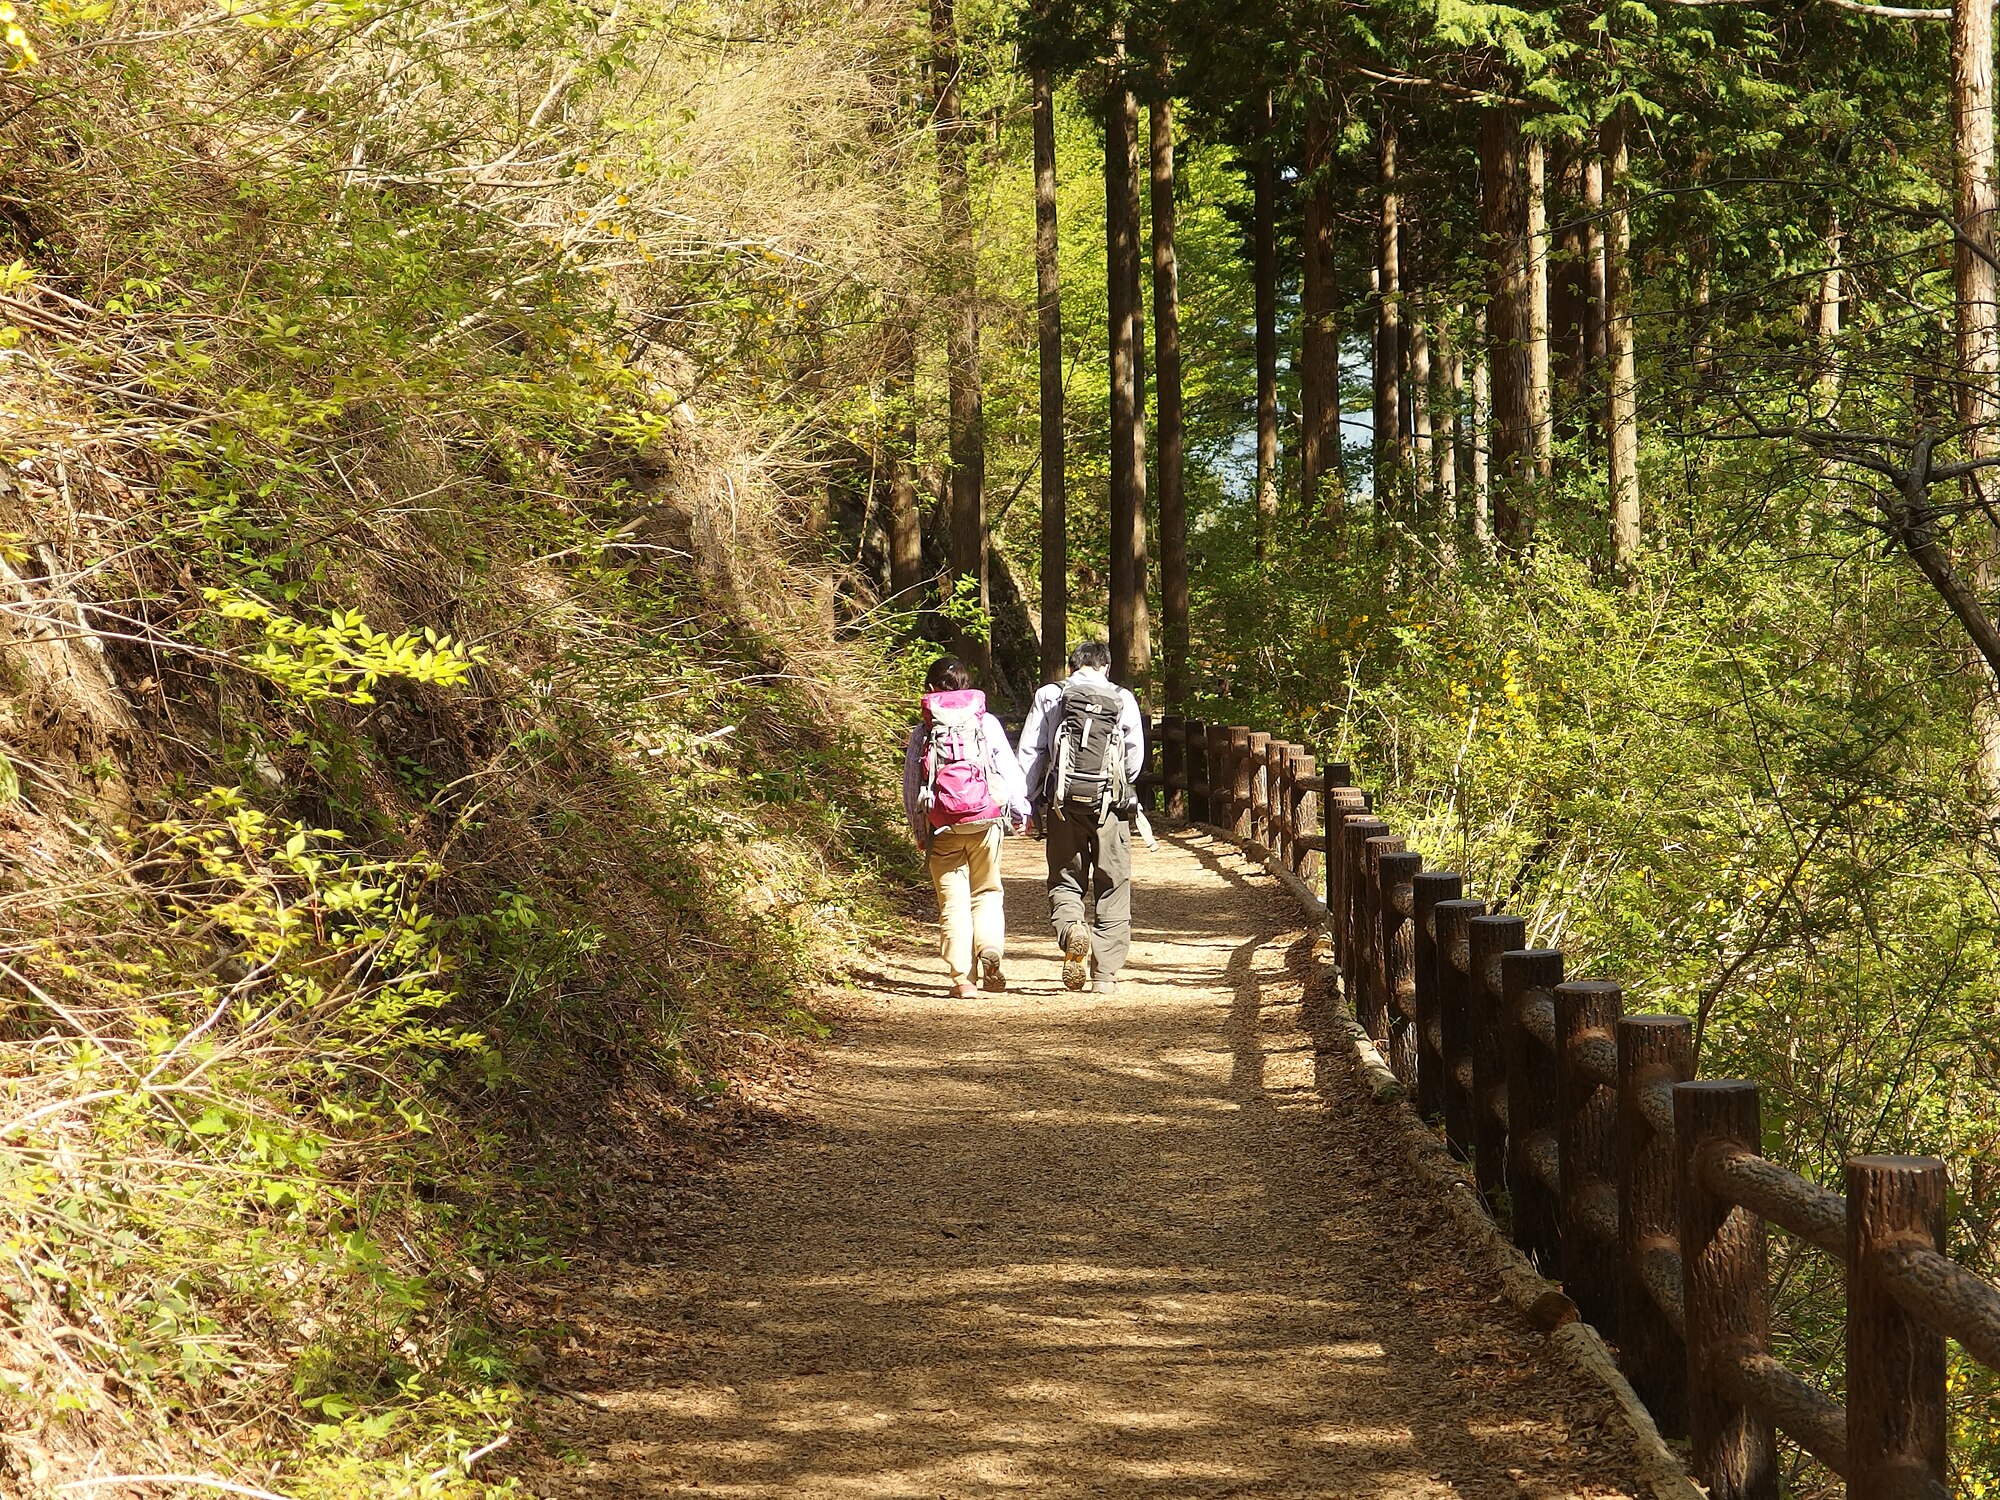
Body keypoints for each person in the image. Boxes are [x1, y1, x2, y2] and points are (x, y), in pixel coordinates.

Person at [1017, 641, 1145, 995]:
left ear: (1072, 667)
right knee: (1113, 885)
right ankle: (1105, 975)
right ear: (1106, 666)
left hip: (1062, 805)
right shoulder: (1122, 698)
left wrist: (1028, 802)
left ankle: (1073, 927)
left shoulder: (1050, 694)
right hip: (1110, 806)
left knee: (1064, 878)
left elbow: (1031, 750)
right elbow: (1133, 761)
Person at [902, 656, 1031, 999]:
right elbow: (1009, 769)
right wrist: (1020, 810)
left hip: (942, 825)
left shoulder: (924, 730)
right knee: (987, 891)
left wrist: (918, 830)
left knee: (953, 904)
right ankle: (989, 948)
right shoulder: (984, 722)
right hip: (984, 819)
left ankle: (963, 979)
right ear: (967, 686)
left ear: (930, 689)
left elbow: (912, 785)